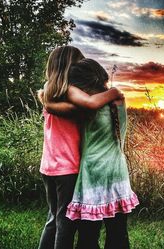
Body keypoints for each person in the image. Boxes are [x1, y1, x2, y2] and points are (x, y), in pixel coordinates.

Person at [37, 46, 124, 249]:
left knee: (53, 218)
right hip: (68, 167)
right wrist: (113, 93)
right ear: (71, 67)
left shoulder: (50, 90)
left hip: (48, 166)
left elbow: (54, 107)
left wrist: (48, 104)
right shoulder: (69, 93)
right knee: (65, 222)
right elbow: (89, 105)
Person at [59, 58, 139, 249]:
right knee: (118, 233)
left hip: (92, 172)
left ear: (80, 86)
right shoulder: (117, 100)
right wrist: (112, 90)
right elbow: (113, 93)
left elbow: (51, 103)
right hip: (116, 171)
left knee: (88, 235)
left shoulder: (83, 106)